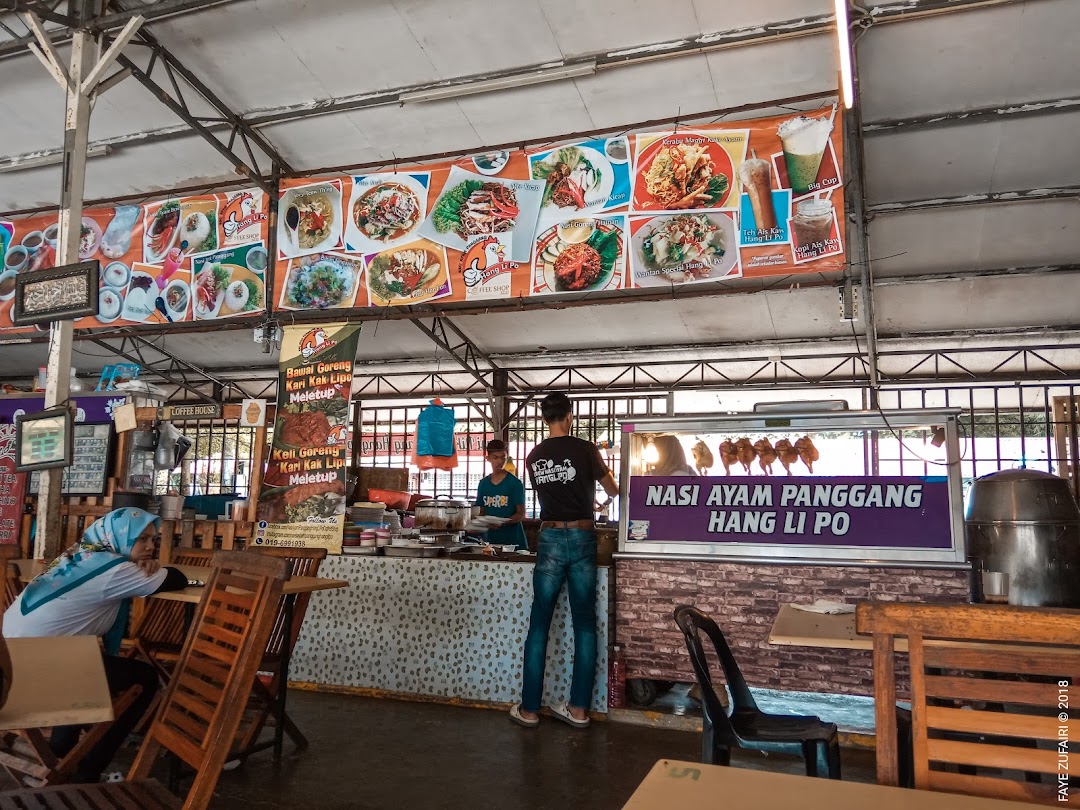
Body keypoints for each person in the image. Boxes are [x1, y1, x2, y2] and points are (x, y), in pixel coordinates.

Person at [4, 507, 189, 783]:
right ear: (118, 537)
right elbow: (178, 578)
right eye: (142, 539)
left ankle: (58, 758)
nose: (151, 546)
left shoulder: (79, 555)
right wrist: (155, 569)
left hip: (8, 665)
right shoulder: (115, 569)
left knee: (87, 666)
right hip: (35, 675)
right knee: (144, 679)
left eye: (154, 539)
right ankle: (87, 770)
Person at [511, 393, 618, 729]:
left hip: (551, 538)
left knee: (539, 623)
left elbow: (550, 494)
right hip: (585, 537)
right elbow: (614, 491)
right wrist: (598, 500)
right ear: (570, 416)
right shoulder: (586, 449)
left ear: (545, 418)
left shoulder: (534, 456)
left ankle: (529, 710)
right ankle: (579, 709)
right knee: (585, 624)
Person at [474, 439, 528, 550]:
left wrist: (503, 522)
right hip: (489, 541)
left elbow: (520, 514)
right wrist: (477, 523)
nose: (500, 461)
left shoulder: (515, 483)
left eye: (503, 457)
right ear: (488, 458)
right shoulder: (483, 484)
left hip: (513, 542)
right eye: (495, 457)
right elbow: (481, 511)